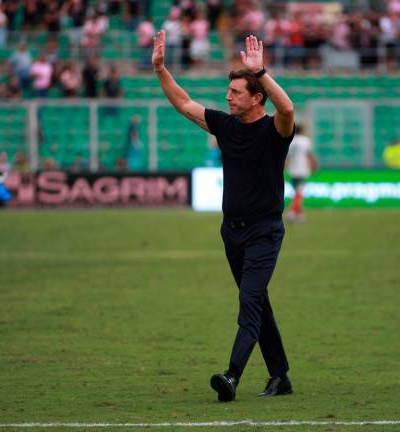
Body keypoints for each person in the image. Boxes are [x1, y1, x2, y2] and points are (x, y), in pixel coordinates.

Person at [153, 31, 295, 402]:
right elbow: (185, 104)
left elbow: (288, 110)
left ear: (256, 98)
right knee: (257, 302)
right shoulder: (226, 127)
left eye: (235, 92)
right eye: (229, 91)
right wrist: (160, 70)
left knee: (249, 302)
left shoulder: (274, 131)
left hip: (265, 232)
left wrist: (261, 71)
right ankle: (280, 376)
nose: (227, 97)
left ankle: (232, 376)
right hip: (231, 233)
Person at [286, 124, 318, 223]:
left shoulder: (290, 141)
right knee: (299, 194)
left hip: (292, 169)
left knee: (296, 193)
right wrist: (314, 165)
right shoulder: (305, 141)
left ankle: (300, 216)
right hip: (302, 169)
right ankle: (291, 213)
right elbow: (309, 155)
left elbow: (287, 157)